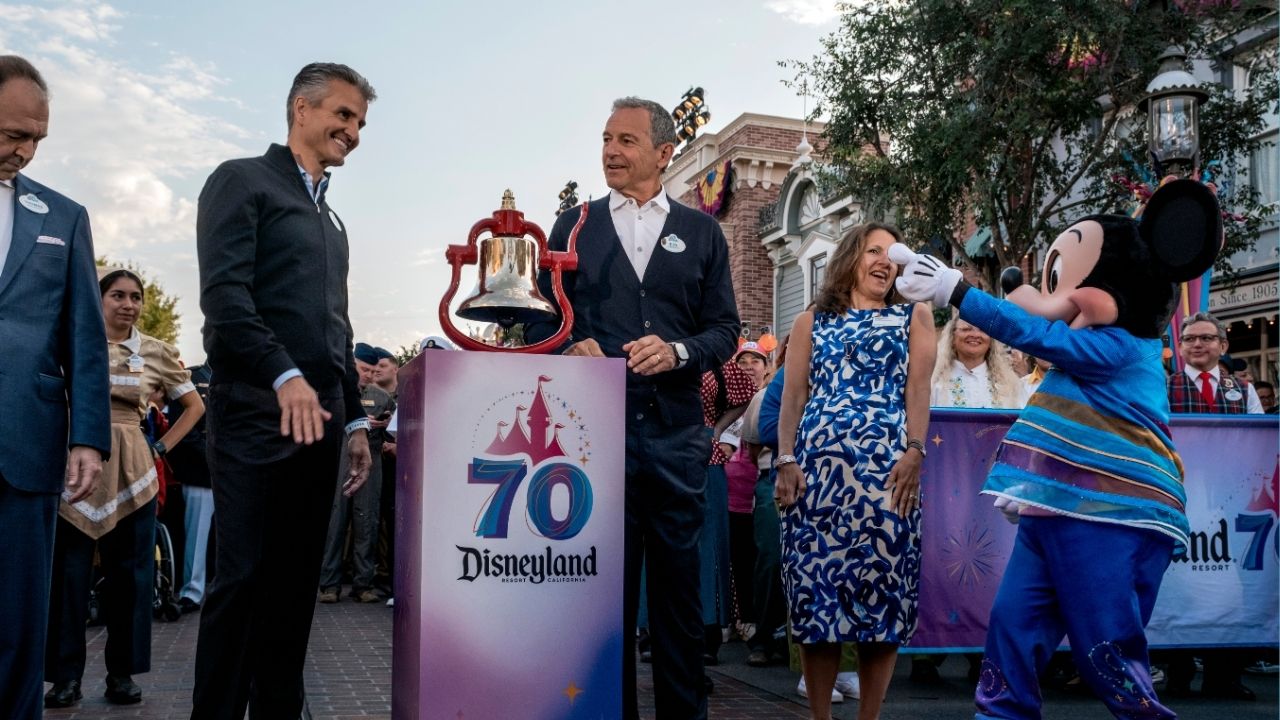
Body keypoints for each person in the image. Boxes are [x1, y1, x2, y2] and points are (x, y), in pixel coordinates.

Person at [892, 178, 1221, 719]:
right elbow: (1041, 328)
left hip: (1110, 510)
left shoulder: (1121, 345)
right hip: (1056, 504)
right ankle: (1000, 715)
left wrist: (958, 291)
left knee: (1105, 644)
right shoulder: (1093, 347)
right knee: (1013, 623)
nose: (1053, 293)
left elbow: (1039, 336)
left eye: (1068, 281)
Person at [527, 96, 739, 719]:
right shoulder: (574, 223)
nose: (611, 152)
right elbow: (540, 312)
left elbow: (725, 329)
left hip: (676, 438)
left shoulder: (702, 231)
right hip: (593, 438)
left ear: (664, 153)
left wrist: (678, 351)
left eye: (626, 141)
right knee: (601, 595)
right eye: (606, 139)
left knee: (677, 599)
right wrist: (569, 342)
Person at [192, 62, 376, 720]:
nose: (352, 131)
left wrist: (354, 423)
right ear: (301, 108)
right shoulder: (241, 181)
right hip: (251, 420)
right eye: (343, 115)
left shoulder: (332, 223)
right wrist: (284, 374)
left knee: (296, 591)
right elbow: (225, 302)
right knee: (241, 583)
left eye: (359, 122)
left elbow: (335, 331)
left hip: (320, 429)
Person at [775, 222, 936, 720]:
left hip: (887, 483)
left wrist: (915, 451)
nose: (885, 262)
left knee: (882, 603)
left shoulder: (916, 317)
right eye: (874, 251)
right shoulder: (811, 321)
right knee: (815, 602)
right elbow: (794, 396)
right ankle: (820, 716)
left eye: (893, 255)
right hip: (815, 485)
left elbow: (919, 391)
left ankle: (870, 716)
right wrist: (785, 459)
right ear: (850, 258)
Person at [0, 55, 110, 720]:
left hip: (27, 446)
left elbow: (85, 337)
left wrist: (88, 438)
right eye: (13, 133)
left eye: (37, 137)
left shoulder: (63, 217)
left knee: (18, 618)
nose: (25, 150)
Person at [44, 267, 204, 707]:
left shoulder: (157, 351)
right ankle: (65, 678)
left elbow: (193, 406)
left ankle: (122, 675)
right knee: (68, 578)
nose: (128, 304)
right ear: (99, 300)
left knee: (131, 578)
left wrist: (160, 448)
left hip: (134, 472)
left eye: (135, 297)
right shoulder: (70, 342)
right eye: (117, 295)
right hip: (75, 467)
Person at [319, 343, 395, 603]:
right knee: (335, 523)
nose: (370, 376)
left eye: (374, 372)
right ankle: (329, 585)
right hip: (339, 461)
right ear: (352, 364)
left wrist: (383, 425)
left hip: (371, 464)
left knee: (368, 523)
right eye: (365, 369)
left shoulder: (382, 398)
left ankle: (363, 585)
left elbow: (393, 433)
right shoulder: (335, 393)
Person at [166, 363, 214, 613]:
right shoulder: (192, 377)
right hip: (201, 472)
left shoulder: (244, 376)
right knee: (197, 536)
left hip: (236, 471)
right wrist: (211, 457)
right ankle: (192, 592)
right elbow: (183, 427)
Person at [1169, 312, 1264, 415]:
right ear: (1180, 348)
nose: (1197, 344)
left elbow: (1257, 430)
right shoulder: (1165, 388)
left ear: (1223, 346)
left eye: (1206, 338)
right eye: (1189, 339)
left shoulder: (1245, 389)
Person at [930, 315, 1028, 409]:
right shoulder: (934, 382)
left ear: (991, 340)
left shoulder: (1011, 385)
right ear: (952, 337)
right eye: (966, 329)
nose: (975, 335)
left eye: (983, 330)